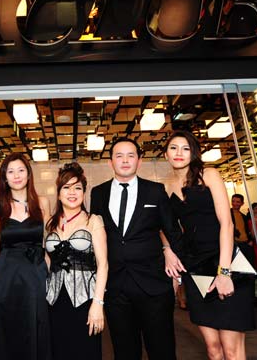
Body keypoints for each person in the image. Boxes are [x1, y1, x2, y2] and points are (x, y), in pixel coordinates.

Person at [90, 137, 183, 360]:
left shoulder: (155, 191)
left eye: (130, 155)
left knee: (162, 351)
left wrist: (177, 274)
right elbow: (97, 237)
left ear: (139, 161)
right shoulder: (98, 193)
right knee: (124, 352)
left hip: (154, 286)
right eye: (119, 156)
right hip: (116, 288)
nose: (125, 160)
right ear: (110, 162)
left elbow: (173, 233)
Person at [164, 130, 254, 360]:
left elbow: (227, 224)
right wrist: (168, 250)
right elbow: (164, 227)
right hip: (195, 266)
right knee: (213, 349)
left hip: (224, 259)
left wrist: (224, 272)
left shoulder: (209, 174)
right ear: (166, 154)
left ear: (193, 153)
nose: (179, 153)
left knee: (231, 349)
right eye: (173, 147)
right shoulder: (166, 186)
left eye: (185, 148)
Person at [0, 153, 52, 360]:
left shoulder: (43, 203)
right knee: (5, 330)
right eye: (10, 172)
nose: (16, 175)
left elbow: (48, 244)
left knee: (34, 327)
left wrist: (49, 276)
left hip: (35, 275)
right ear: (4, 177)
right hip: (5, 277)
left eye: (21, 170)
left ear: (29, 174)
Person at [45, 163, 108, 360]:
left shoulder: (94, 221)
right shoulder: (50, 224)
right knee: (58, 351)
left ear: (83, 192)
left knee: (85, 351)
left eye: (77, 187)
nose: (72, 192)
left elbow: (103, 264)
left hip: (85, 300)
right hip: (54, 300)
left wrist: (98, 303)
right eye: (66, 187)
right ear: (58, 193)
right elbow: (47, 261)